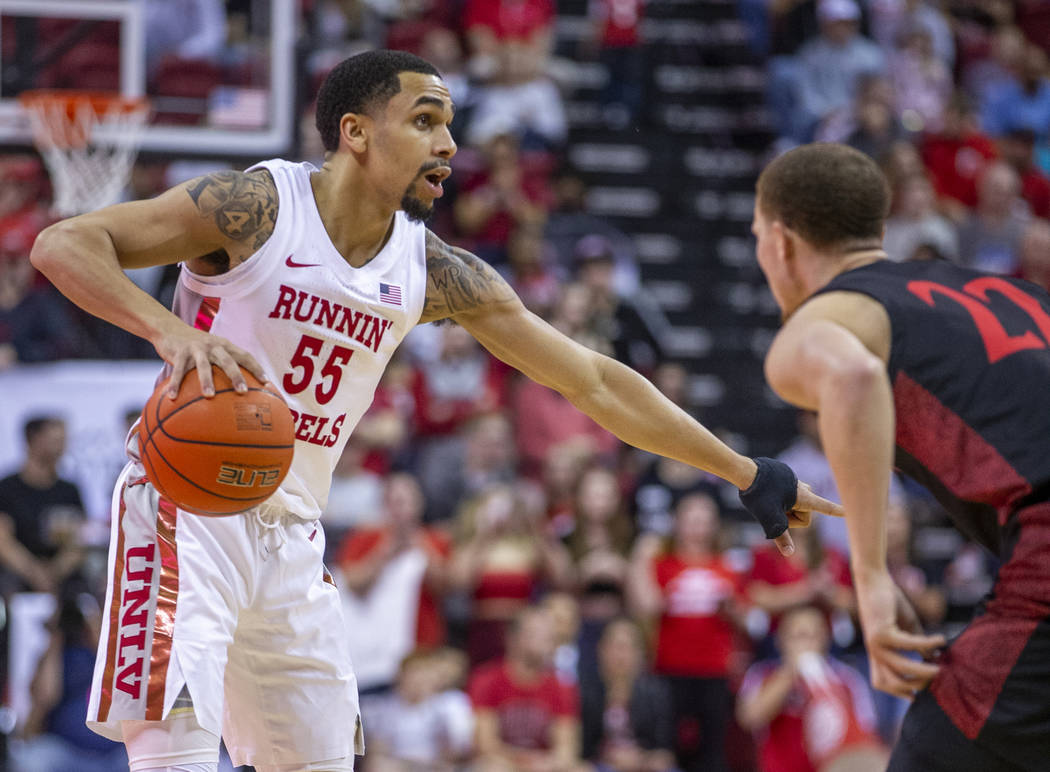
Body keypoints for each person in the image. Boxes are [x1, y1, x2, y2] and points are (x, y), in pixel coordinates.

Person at [30, 50, 839, 771]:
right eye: (424, 121)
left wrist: (741, 469)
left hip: (293, 530)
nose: (448, 144)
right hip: (187, 504)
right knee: (175, 749)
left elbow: (593, 380)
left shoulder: (434, 272)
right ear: (355, 131)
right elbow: (64, 244)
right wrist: (171, 332)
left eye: (449, 124)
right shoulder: (256, 208)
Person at [753, 141, 1050, 769]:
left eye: (757, 237)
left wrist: (871, 576)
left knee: (936, 748)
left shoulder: (821, 323)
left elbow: (853, 379)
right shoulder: (1009, 291)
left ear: (779, 242)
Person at [736, 605, 886, 772]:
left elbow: (865, 735)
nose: (806, 644)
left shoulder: (846, 678)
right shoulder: (762, 674)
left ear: (825, 639)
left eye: (813, 636)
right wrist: (790, 671)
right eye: (799, 636)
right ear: (780, 640)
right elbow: (749, 718)